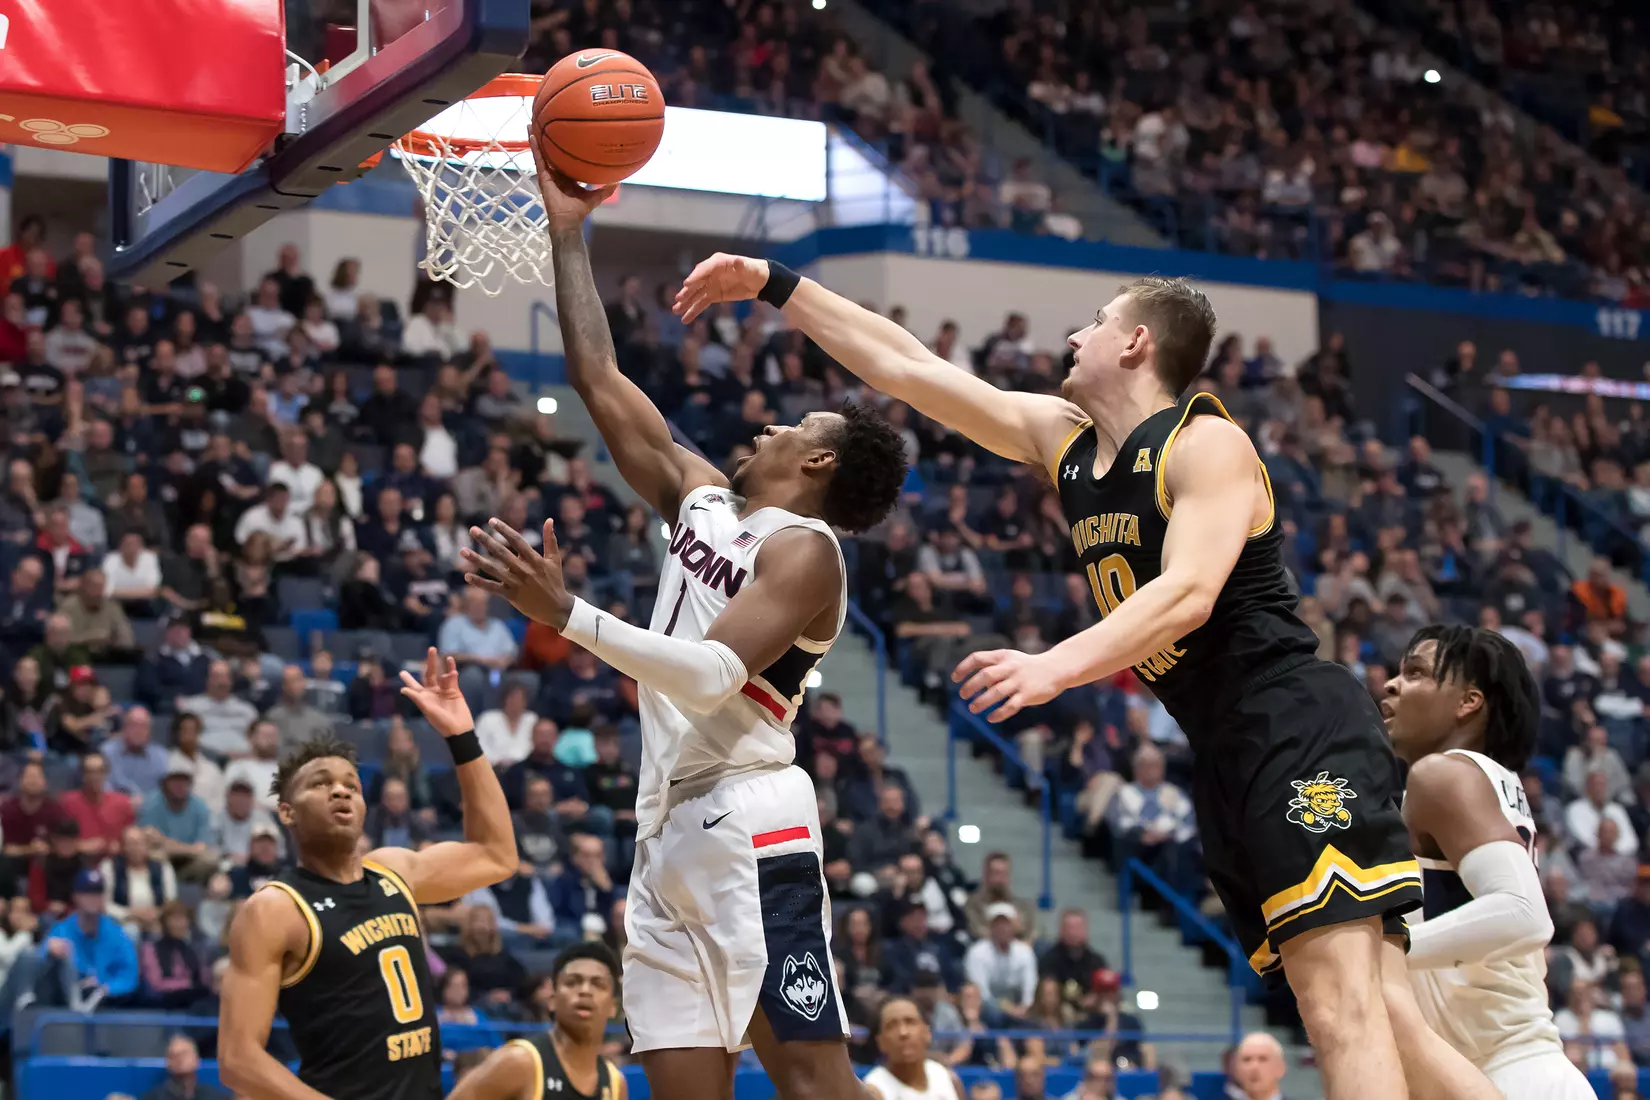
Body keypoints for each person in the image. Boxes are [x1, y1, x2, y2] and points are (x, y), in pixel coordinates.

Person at [673, 256, 1481, 1100]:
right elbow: (907, 368)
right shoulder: (1062, 438)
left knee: (1339, 1006)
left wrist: (1054, 665)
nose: (1074, 333)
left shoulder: (1207, 442)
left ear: (1135, 342)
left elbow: (1188, 593)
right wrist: (773, 283)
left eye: (1093, 321)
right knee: (1384, 1014)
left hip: (1294, 721)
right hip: (1226, 746)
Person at [458, 141, 907, 1100]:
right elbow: (598, 379)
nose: (766, 429)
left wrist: (566, 612)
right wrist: (567, 233)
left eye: (793, 429)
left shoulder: (806, 552)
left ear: (820, 464)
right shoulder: (701, 497)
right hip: (663, 831)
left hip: (752, 816)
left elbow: (711, 674)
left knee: (818, 1085)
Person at [217, 649, 517, 1100]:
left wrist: (462, 737)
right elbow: (239, 1060)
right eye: (320, 783)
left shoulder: (393, 870)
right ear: (286, 811)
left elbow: (496, 855)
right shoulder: (275, 909)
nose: (340, 790)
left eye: (351, 785)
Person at [1382, 625, 1592, 1098]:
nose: (1392, 685)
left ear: (1467, 702)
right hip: (1505, 1070)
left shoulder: (1443, 775)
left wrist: (1387, 950)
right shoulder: (1489, 781)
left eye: (1416, 673)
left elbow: (1523, 914)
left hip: (1509, 1072)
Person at [447, 941, 626, 1100]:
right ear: (552, 1000)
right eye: (572, 982)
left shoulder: (615, 1084)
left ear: (613, 1006)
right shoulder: (519, 1062)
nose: (585, 991)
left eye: (598, 984)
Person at [863, 996, 966, 1100]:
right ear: (880, 1041)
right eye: (892, 1026)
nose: (903, 1033)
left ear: (927, 1032)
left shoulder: (948, 1078)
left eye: (910, 1022)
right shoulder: (874, 1091)